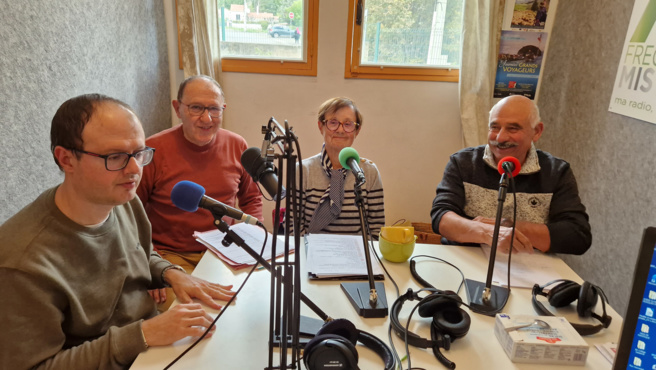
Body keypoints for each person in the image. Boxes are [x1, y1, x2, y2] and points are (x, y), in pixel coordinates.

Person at [0, 94, 236, 369]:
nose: (135, 170)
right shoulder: (21, 263)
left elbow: (138, 252)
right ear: (66, 159)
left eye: (139, 153)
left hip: (149, 348)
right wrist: (143, 335)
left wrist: (169, 273)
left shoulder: (122, 200)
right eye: (116, 157)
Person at [137, 75, 262, 308]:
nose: (207, 118)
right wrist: (150, 267)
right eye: (196, 108)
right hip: (171, 256)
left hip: (225, 250)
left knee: (246, 304)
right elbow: (129, 213)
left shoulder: (237, 145)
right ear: (178, 109)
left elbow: (252, 197)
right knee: (187, 312)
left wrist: (250, 235)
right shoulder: (153, 151)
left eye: (214, 109)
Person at [430, 95, 591, 255]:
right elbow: (441, 217)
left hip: (528, 268)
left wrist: (508, 227)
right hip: (465, 260)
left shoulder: (556, 172)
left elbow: (578, 236)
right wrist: (486, 232)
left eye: (513, 128)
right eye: (494, 127)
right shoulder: (462, 162)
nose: (500, 137)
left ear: (536, 131)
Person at [294, 97, 385, 238]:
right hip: (312, 253)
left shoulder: (368, 172)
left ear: (357, 130)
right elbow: (293, 228)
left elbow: (376, 230)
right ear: (321, 126)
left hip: (357, 255)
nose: (340, 130)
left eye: (348, 124)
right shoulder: (302, 171)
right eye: (333, 123)